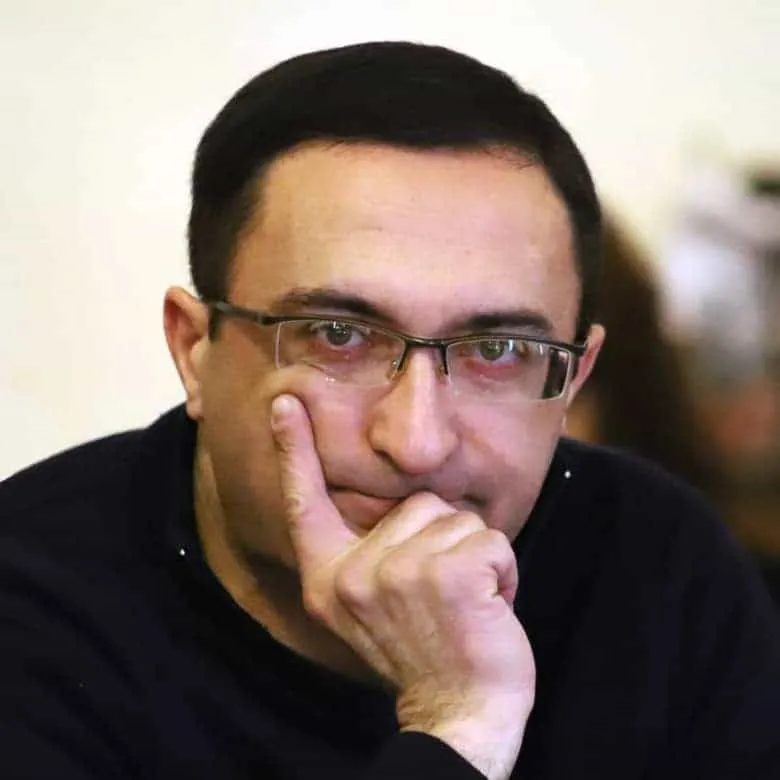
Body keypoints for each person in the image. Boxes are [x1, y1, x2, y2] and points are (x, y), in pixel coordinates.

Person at [1, 42, 779, 780]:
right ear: (195, 349)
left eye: (498, 350)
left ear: (573, 381)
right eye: (338, 336)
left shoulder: (662, 570)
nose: (416, 442)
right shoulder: (31, 610)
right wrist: (460, 727)